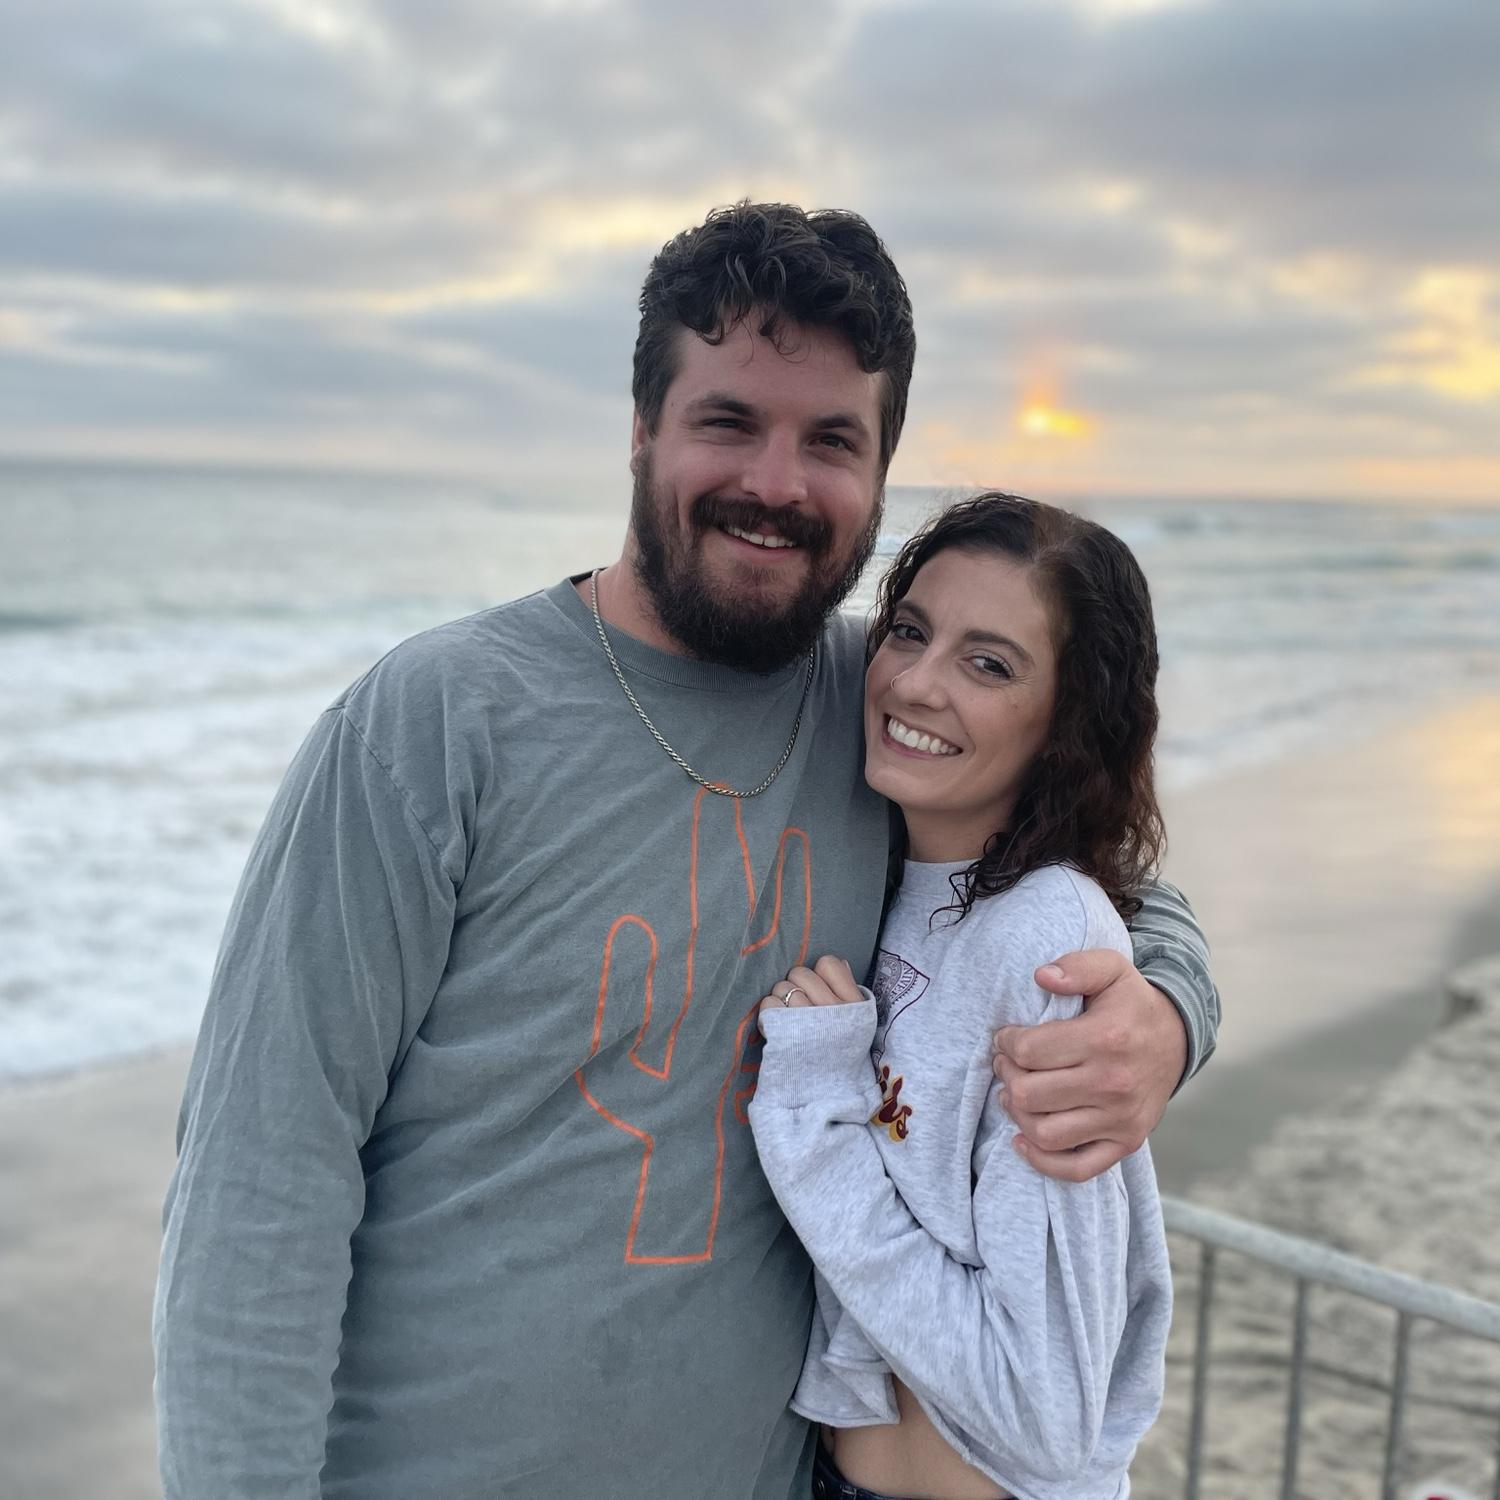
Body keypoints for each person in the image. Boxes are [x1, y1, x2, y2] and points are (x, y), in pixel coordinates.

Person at [153, 202, 1216, 1499]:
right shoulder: (437, 721)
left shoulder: (885, 706)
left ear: (881, 473)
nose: (776, 483)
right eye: (728, 421)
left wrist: (1165, 1017)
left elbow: (1085, 871)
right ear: (643, 429)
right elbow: (261, 1182)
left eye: (831, 440)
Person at [750, 495, 1172, 1500]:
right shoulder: (894, 874)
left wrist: (818, 1113)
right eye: (909, 631)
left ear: (1069, 723)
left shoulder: (1048, 942)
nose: (915, 683)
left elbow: (1041, 1410)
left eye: (988, 664)